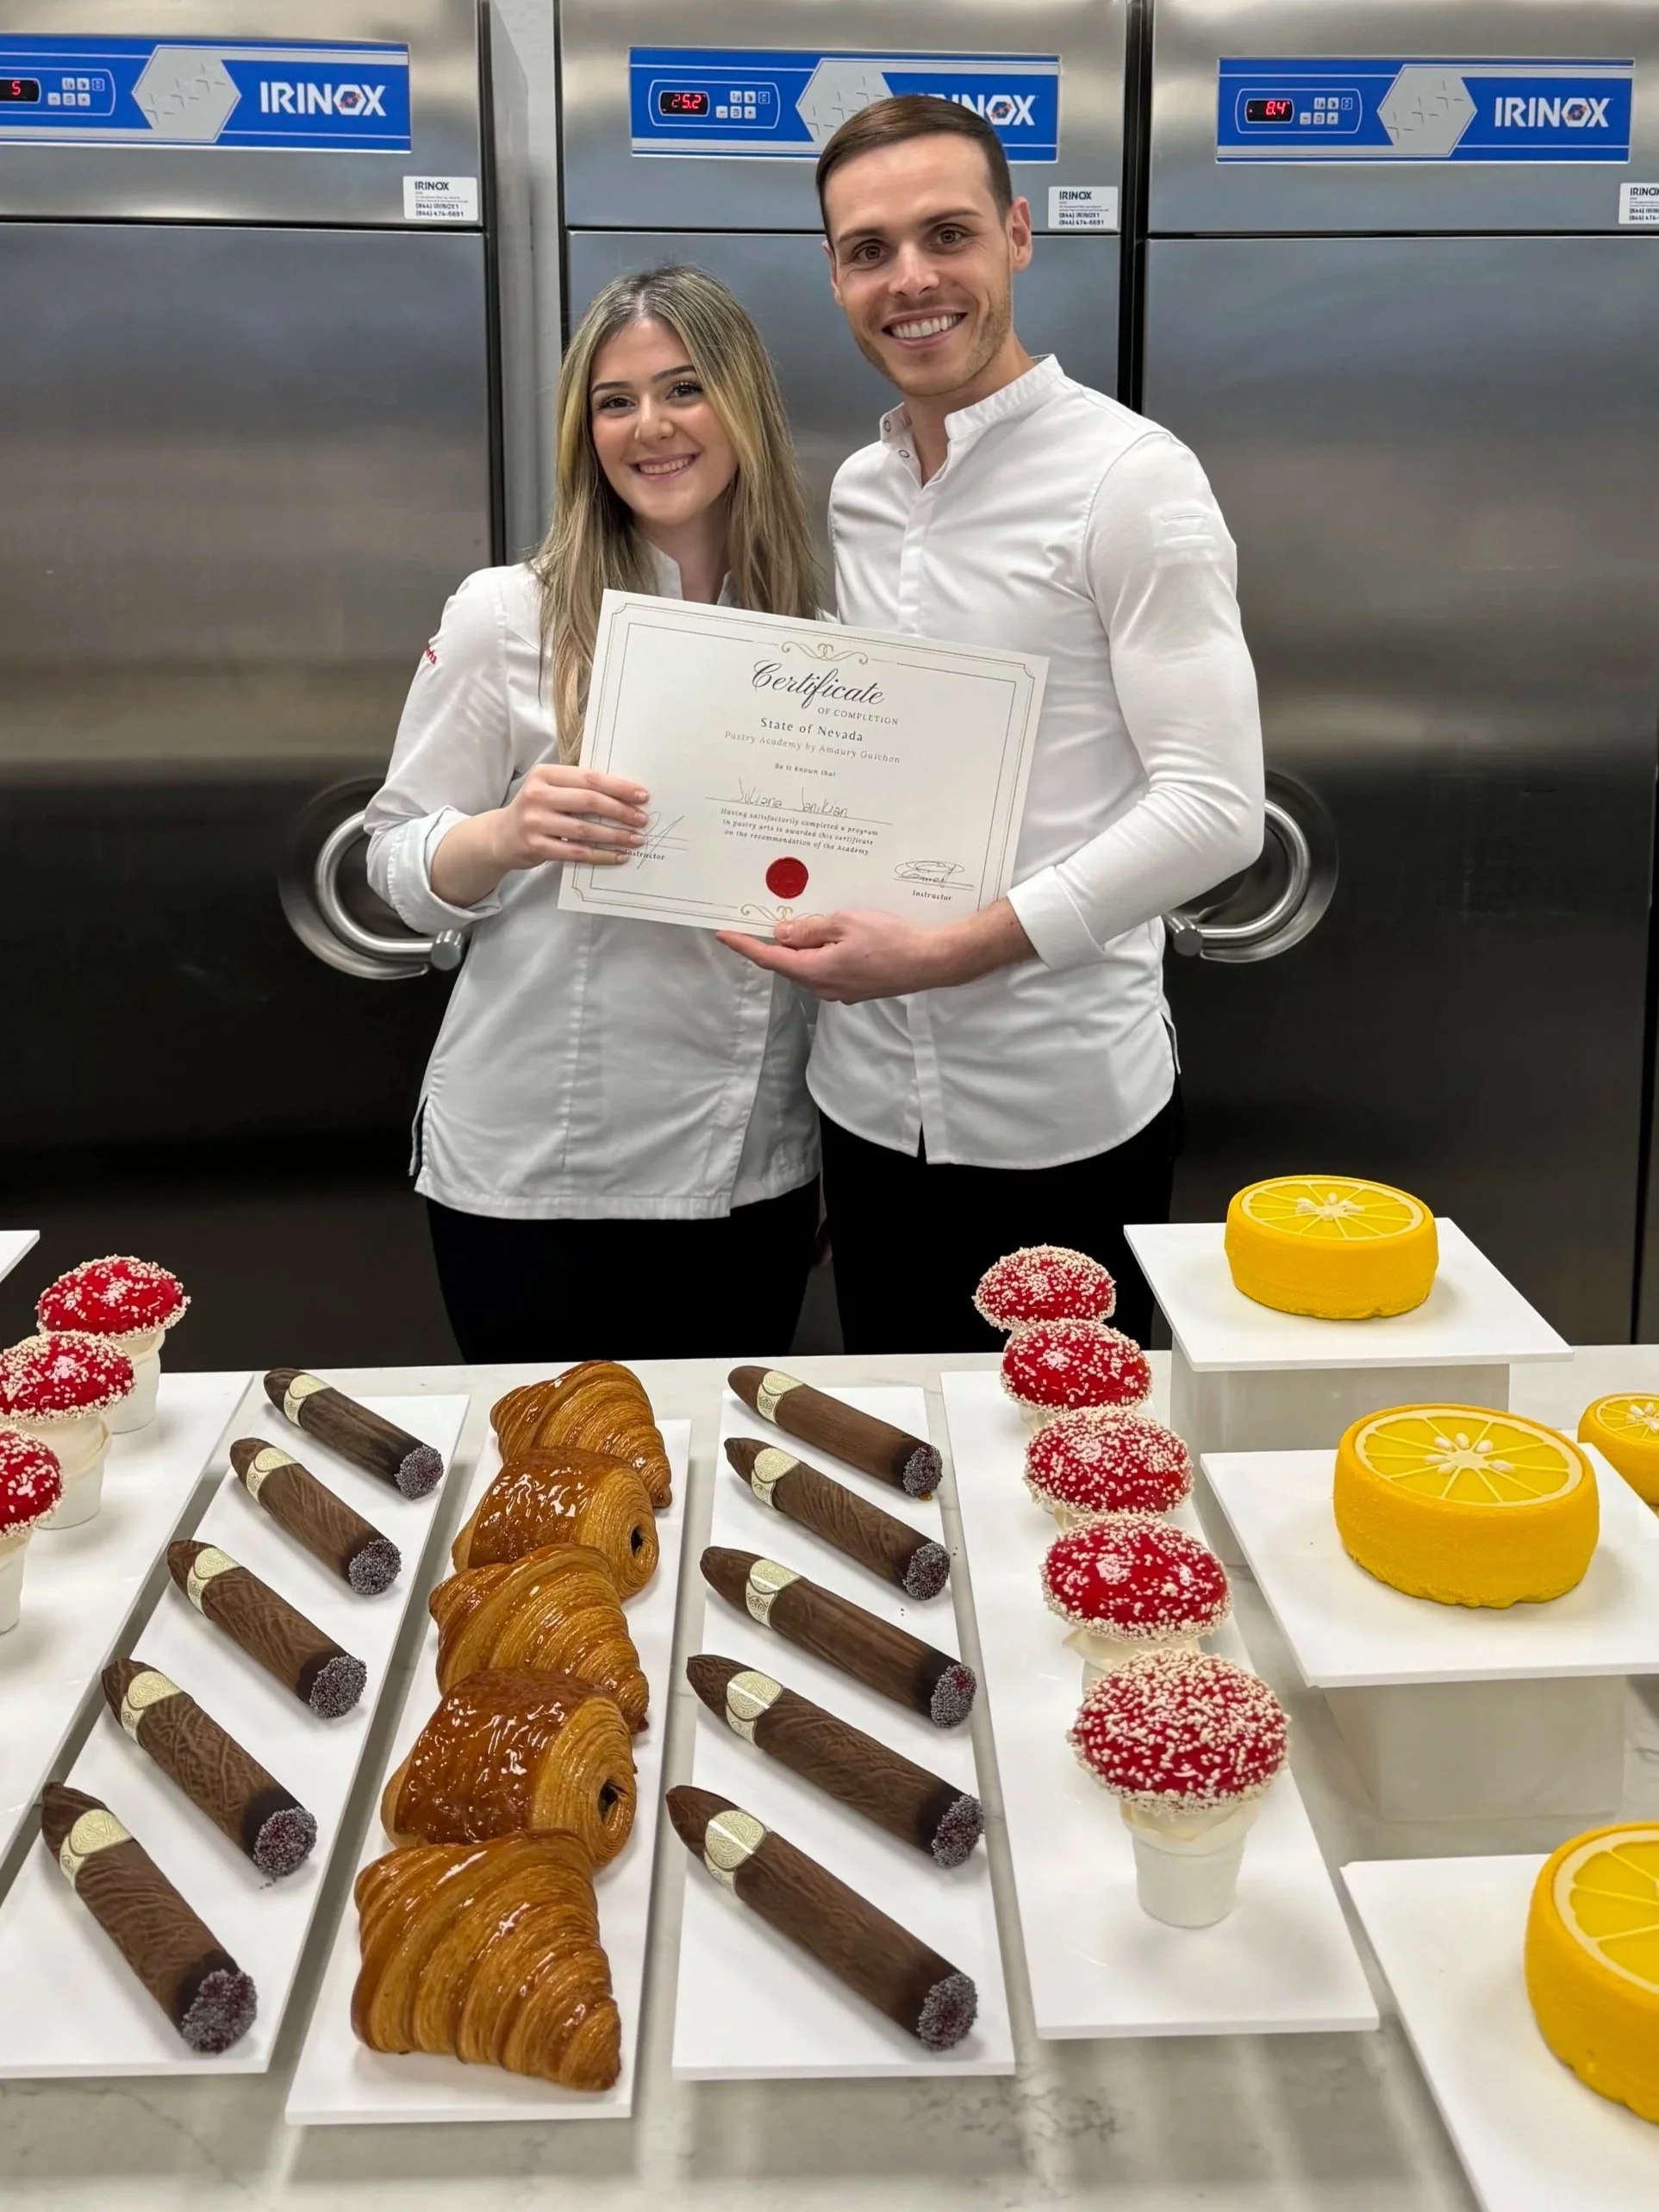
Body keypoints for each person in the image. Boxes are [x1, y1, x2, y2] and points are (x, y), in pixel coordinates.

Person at [720, 97, 1263, 1353]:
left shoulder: (1132, 480)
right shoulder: (855, 492)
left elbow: (1213, 809)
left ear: (1016, 236)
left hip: (1059, 1116)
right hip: (862, 1109)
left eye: (946, 234)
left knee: (1062, 1485)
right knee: (907, 1470)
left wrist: (950, 951)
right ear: (834, 272)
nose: (910, 279)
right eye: (869, 249)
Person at [366, 266, 821, 1361]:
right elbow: (391, 857)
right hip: (536, 1170)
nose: (649, 427)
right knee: (549, 1495)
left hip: (750, 1163)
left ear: (744, 405)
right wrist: (504, 832)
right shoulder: (506, 612)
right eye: (615, 402)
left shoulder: (818, 633)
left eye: (682, 389)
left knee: (709, 1478)